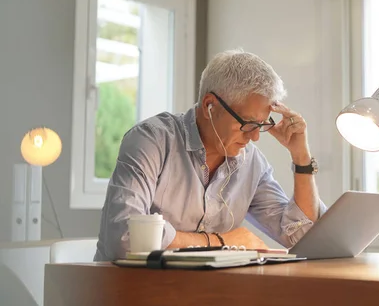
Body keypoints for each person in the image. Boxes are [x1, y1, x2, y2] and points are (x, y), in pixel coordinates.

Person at [94, 49, 326, 261]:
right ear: (209, 106)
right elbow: (125, 238)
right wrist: (222, 242)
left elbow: (301, 237)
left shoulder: (251, 162)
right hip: (129, 293)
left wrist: (301, 158)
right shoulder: (151, 141)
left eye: (262, 125)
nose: (255, 137)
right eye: (248, 123)